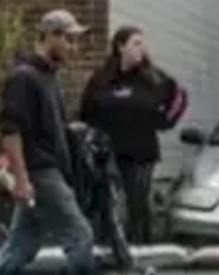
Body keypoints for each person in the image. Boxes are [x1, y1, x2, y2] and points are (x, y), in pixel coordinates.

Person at [0, 9, 114, 275]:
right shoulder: (23, 78)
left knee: (22, 243)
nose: (73, 47)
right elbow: (11, 130)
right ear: (49, 36)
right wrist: (22, 179)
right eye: (68, 39)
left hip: (47, 171)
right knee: (79, 233)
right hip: (40, 173)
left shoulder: (50, 78)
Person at [78, 25, 187, 244]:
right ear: (120, 47)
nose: (142, 48)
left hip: (141, 154)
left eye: (142, 44)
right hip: (108, 154)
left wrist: (165, 121)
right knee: (108, 205)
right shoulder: (101, 80)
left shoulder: (154, 79)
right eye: (136, 43)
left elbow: (180, 97)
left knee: (136, 206)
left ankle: (140, 248)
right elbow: (86, 111)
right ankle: (108, 248)